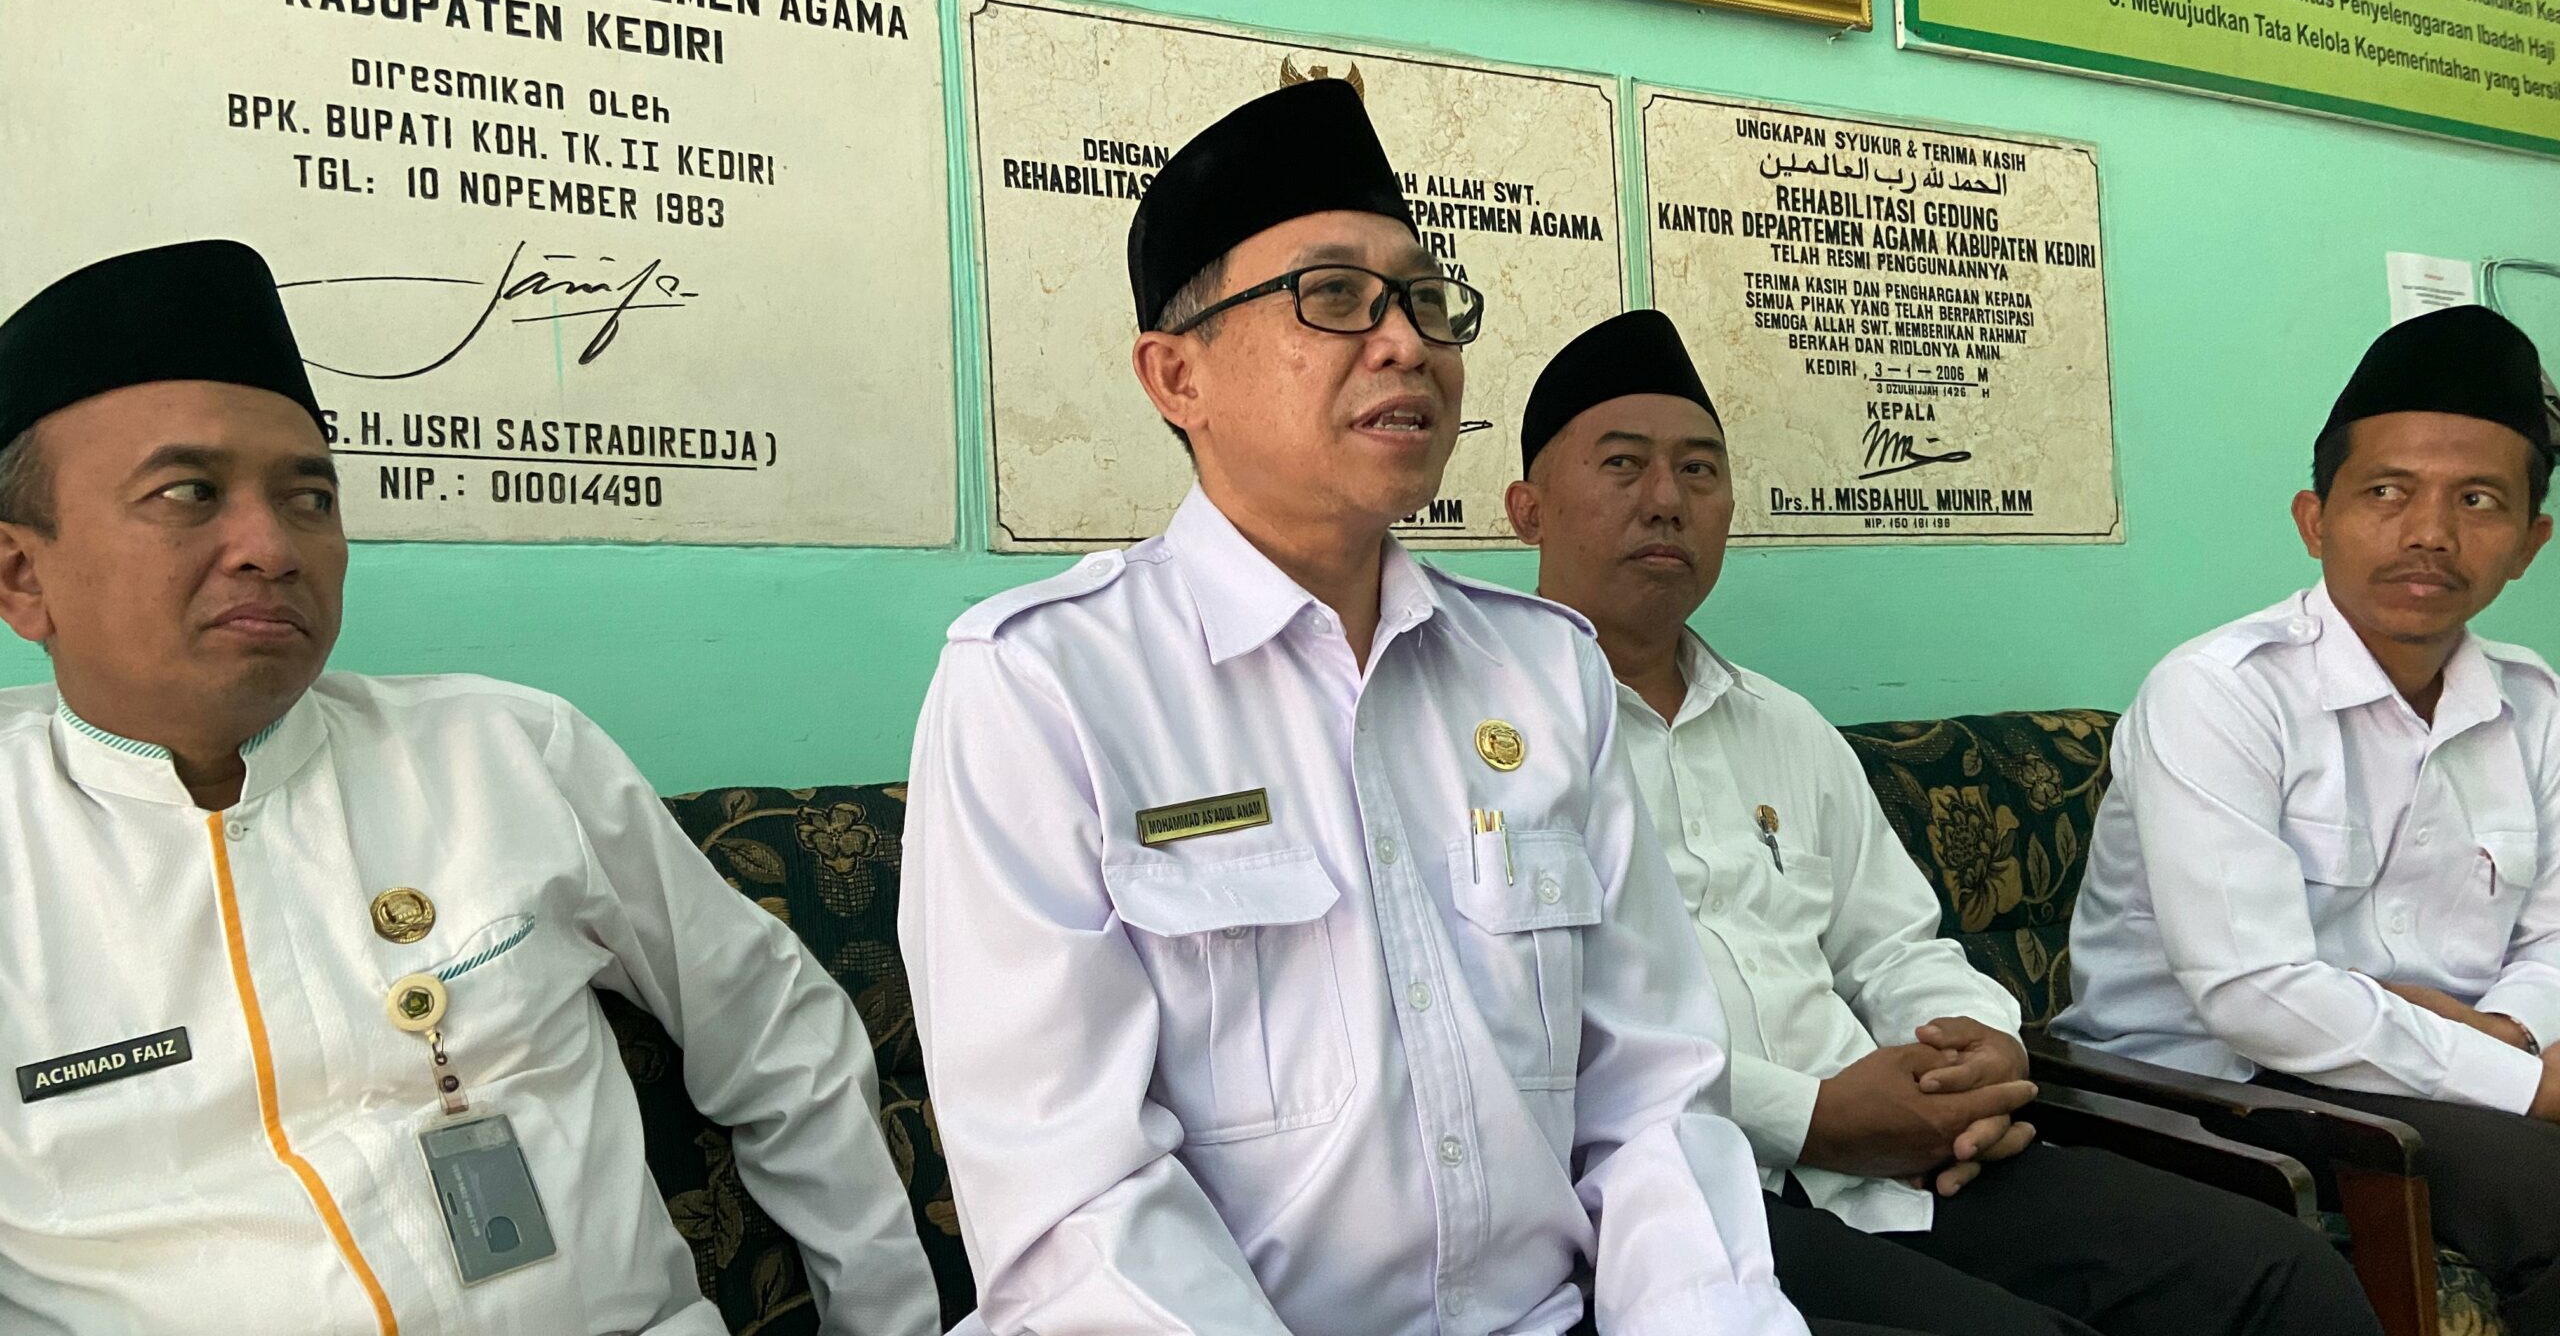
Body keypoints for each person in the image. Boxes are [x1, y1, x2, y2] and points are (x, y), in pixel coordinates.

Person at [900, 82, 1810, 1336]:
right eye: (1333, 297)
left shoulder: (1545, 674)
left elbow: (1653, 1095)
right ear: (1177, 377)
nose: (1406, 343)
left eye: (1426, 301)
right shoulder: (1046, 685)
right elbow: (1076, 1211)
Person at [0, 240, 939, 1335]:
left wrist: (887, 1321)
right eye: (187, 493)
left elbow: (775, 1029)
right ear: (22, 575)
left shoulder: (499, 752)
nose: (271, 545)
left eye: (310, 497)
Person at [1510, 309, 2385, 1336]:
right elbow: (1529, 1031)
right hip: (1677, 1193)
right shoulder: (1489, 738)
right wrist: (1815, 1115)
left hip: (1903, 1163)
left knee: (2269, 1271)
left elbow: (1890, 947)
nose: (1666, 500)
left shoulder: (1779, 726)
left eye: (1699, 471)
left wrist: (1975, 1051)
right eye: (1623, 465)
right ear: (1527, 508)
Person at [2056, 303, 2560, 1331]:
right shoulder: (2217, 692)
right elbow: (2252, 993)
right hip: (2204, 1089)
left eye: (2477, 500)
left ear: (2527, 544)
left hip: (2440, 1069)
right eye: (2386, 491)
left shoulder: (2536, 702)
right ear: (2313, 518)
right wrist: (2516, 1081)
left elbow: (2553, 933)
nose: (2429, 532)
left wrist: (2511, 1034)